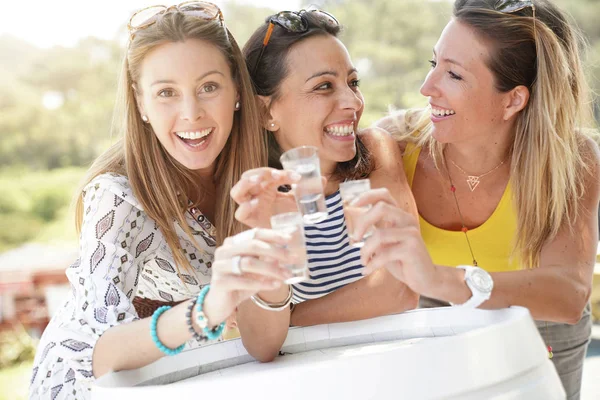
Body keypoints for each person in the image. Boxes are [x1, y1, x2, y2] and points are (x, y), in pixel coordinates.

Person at [30, 3, 293, 398]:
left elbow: (265, 344)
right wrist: (207, 308)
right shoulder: (119, 197)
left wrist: (273, 252)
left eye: (208, 87)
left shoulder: (260, 177)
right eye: (166, 93)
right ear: (141, 103)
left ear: (237, 91)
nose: (191, 113)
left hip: (193, 377)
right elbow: (98, 352)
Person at [358, 0, 599, 398]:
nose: (426, 88)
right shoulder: (396, 146)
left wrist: (441, 278)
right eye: (433, 63)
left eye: (453, 74)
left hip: (541, 324)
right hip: (437, 315)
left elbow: (568, 294)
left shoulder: (572, 161)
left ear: (512, 100)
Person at [230, 9, 419, 329]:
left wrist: (285, 321)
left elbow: (400, 288)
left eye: (353, 82)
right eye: (323, 86)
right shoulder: (252, 194)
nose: (354, 102)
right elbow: (254, 333)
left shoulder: (374, 152)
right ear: (266, 112)